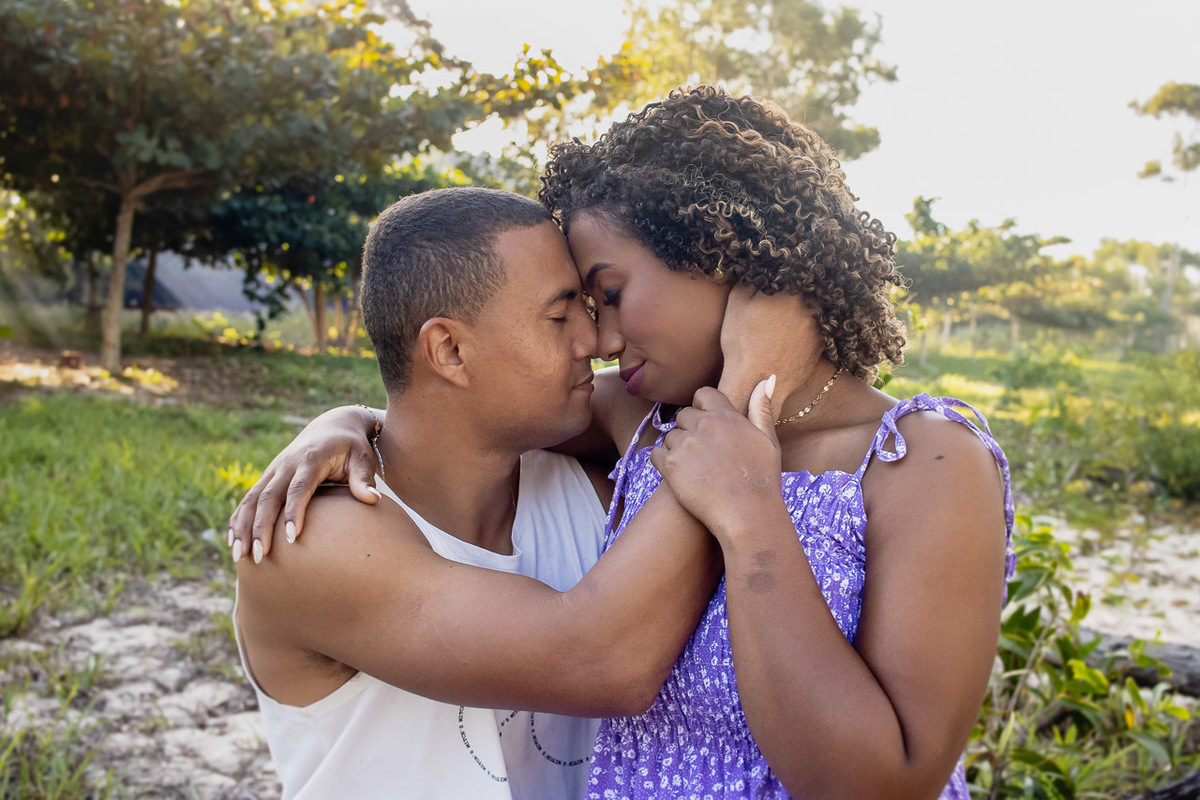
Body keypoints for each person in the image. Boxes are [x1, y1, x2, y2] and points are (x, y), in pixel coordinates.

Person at [235, 87, 1014, 800]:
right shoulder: (648, 428)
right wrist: (345, 421)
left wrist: (747, 500)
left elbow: (890, 783)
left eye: (606, 296)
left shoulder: (922, 462)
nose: (599, 340)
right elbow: (448, 411)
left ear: (727, 256)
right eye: (569, 309)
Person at [232, 186, 723, 799]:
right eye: (559, 315)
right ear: (451, 350)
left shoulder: (600, 492)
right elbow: (604, 661)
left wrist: (346, 417)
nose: (593, 343)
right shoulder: (310, 539)